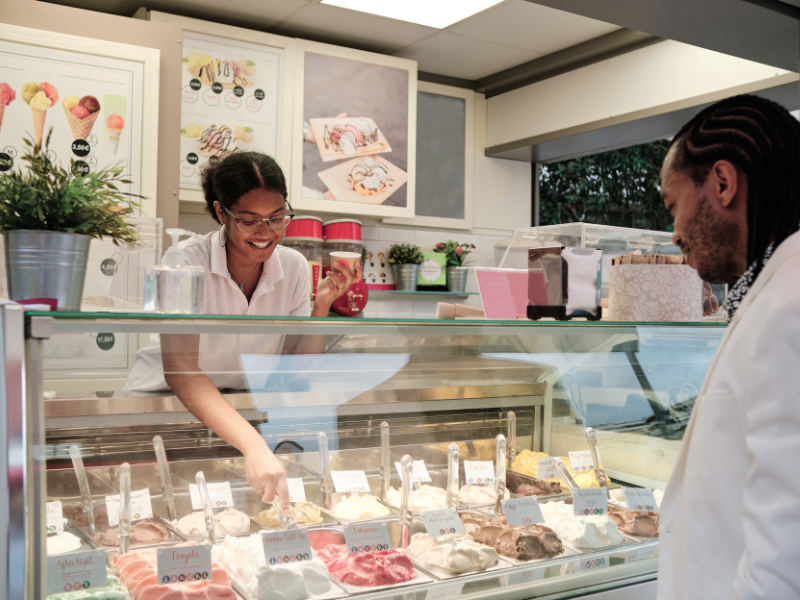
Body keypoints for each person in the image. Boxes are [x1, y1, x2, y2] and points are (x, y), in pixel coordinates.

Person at [124, 152, 362, 509]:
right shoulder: (187, 261)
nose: (266, 233)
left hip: (239, 415)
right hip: (165, 413)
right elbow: (181, 371)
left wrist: (321, 306)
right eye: (249, 221)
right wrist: (253, 445)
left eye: (278, 218)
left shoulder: (295, 266)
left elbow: (295, 369)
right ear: (222, 213)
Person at [658, 94, 800, 598]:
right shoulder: (773, 291)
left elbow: (783, 563)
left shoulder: (788, 308)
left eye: (673, 207)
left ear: (721, 183)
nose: (674, 234)